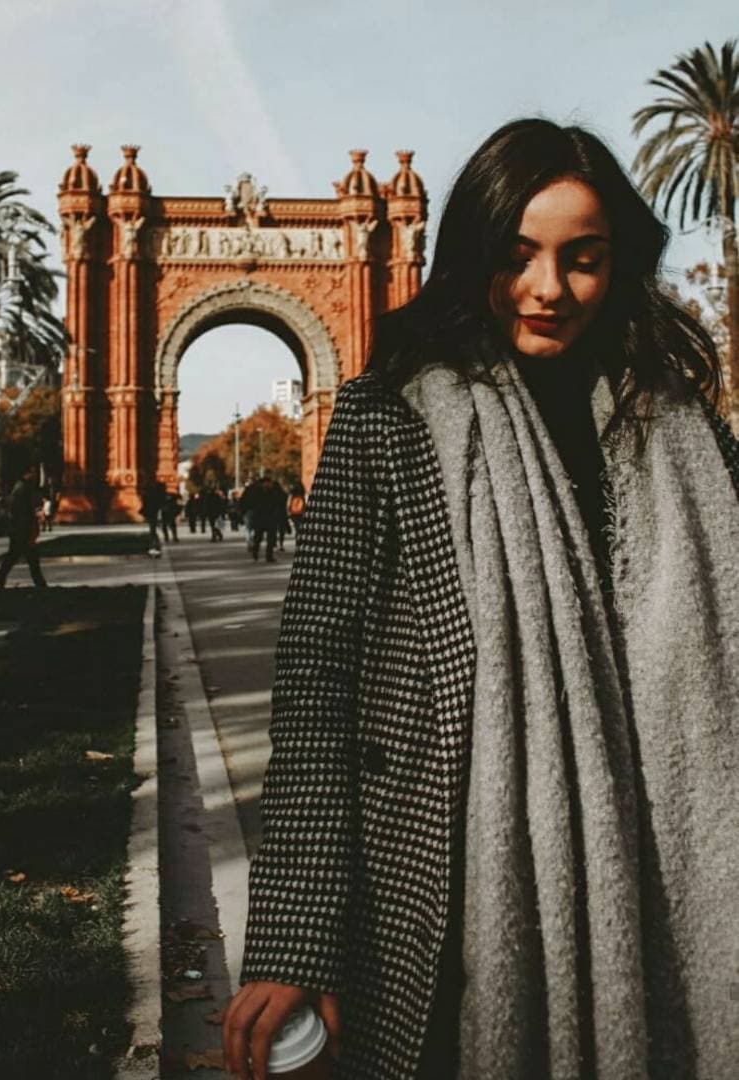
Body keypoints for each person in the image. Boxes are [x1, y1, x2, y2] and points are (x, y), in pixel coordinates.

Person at [223, 118, 739, 1080]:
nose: (549, 289)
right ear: (473, 256)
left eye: (582, 260)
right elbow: (319, 677)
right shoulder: (390, 417)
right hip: (449, 892)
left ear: (616, 264)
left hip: (678, 888)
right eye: (520, 256)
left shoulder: (682, 428)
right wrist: (297, 941)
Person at [0, 463, 47, 590]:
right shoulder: (22, 489)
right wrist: (29, 530)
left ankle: (0, 583)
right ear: (27, 473)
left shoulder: (22, 488)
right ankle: (40, 586)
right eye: (33, 472)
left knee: (23, 559)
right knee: (20, 559)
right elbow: (22, 512)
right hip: (21, 531)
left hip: (20, 530)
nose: (35, 474)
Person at [140, 482, 164, 556]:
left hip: (151, 513)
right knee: (154, 530)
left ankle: (154, 546)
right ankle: (155, 546)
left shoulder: (147, 496)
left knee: (153, 530)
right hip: (154, 513)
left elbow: (145, 504)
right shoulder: (158, 495)